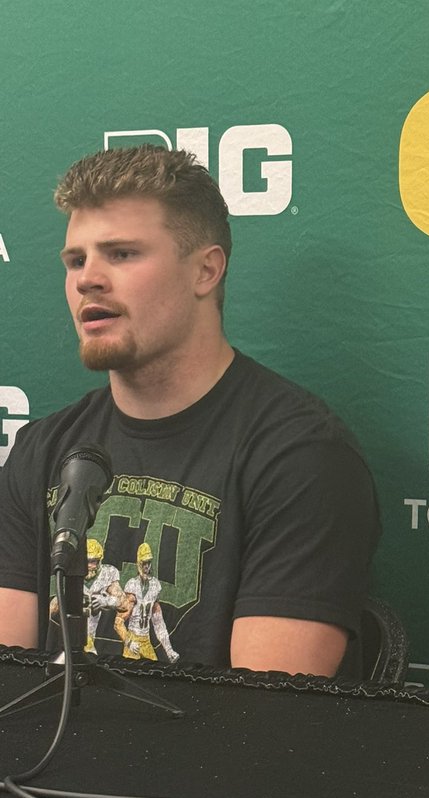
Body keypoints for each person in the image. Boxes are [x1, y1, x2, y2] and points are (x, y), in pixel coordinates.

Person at [0, 145, 379, 675]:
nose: (88, 278)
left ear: (205, 271)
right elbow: (8, 678)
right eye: (76, 260)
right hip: (49, 753)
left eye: (122, 254)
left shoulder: (301, 456)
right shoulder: (43, 448)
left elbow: (269, 721)